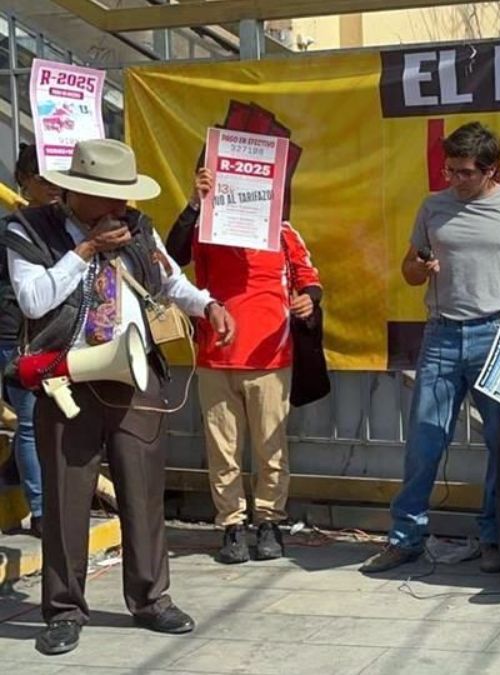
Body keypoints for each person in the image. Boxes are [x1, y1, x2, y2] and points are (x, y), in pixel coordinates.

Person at [3, 139, 236, 656]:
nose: (118, 208)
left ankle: (152, 599)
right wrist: (84, 251)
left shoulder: (138, 227)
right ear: (73, 193)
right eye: (106, 198)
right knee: (66, 497)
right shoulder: (28, 229)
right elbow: (34, 298)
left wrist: (209, 306)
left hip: (134, 375)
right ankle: (63, 610)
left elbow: (172, 283)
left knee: (143, 491)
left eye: (123, 197)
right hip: (68, 376)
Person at [359, 121, 500, 574]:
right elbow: (409, 270)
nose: (455, 179)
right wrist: (419, 266)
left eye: (466, 172)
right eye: (450, 170)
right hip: (442, 333)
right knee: (425, 439)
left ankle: (493, 536)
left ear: (493, 170)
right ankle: (406, 536)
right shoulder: (433, 208)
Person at [166, 167, 321, 565]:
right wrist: (193, 203)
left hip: (271, 357)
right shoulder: (205, 229)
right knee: (223, 449)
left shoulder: (284, 233)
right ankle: (231, 525)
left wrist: (309, 300)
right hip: (216, 356)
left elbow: (309, 279)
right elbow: (173, 257)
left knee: (271, 447)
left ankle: (269, 522)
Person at [1, 143, 60, 536]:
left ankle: (15, 479)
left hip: (53, 337)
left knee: (44, 420)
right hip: (17, 336)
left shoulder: (59, 224)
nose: (54, 186)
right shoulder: (14, 227)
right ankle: (41, 510)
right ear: (24, 181)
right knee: (28, 421)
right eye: (44, 178)